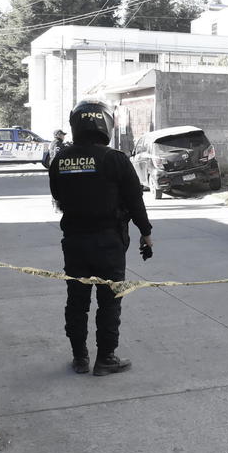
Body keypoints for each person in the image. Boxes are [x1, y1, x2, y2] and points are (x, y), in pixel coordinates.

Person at [48, 100, 154, 376]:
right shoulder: (115, 159)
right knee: (110, 301)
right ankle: (106, 358)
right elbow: (135, 200)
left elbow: (57, 195)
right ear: (105, 124)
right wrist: (146, 233)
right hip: (109, 242)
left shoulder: (61, 160)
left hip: (74, 242)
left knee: (77, 301)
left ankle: (79, 358)